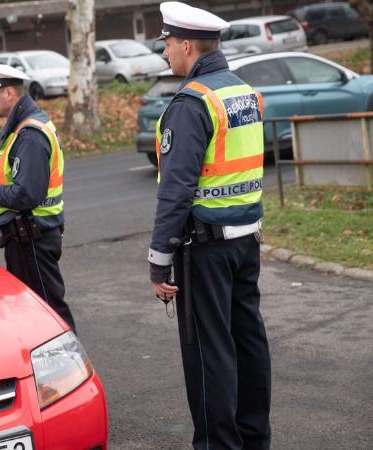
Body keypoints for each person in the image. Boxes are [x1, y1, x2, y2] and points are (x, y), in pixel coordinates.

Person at [147, 2, 271, 449]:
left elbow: (175, 190)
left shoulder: (191, 101)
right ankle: (254, 440)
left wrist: (159, 260)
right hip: (245, 241)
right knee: (248, 342)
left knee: (209, 354)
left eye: (167, 44)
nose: (164, 53)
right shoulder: (242, 91)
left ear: (185, 45)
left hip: (205, 251)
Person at [0, 62, 76, 332]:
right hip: (25, 237)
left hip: (33, 238)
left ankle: (73, 369)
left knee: (49, 314)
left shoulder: (30, 135)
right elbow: (14, 178)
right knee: (34, 314)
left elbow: (26, 195)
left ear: (9, 94)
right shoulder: (20, 127)